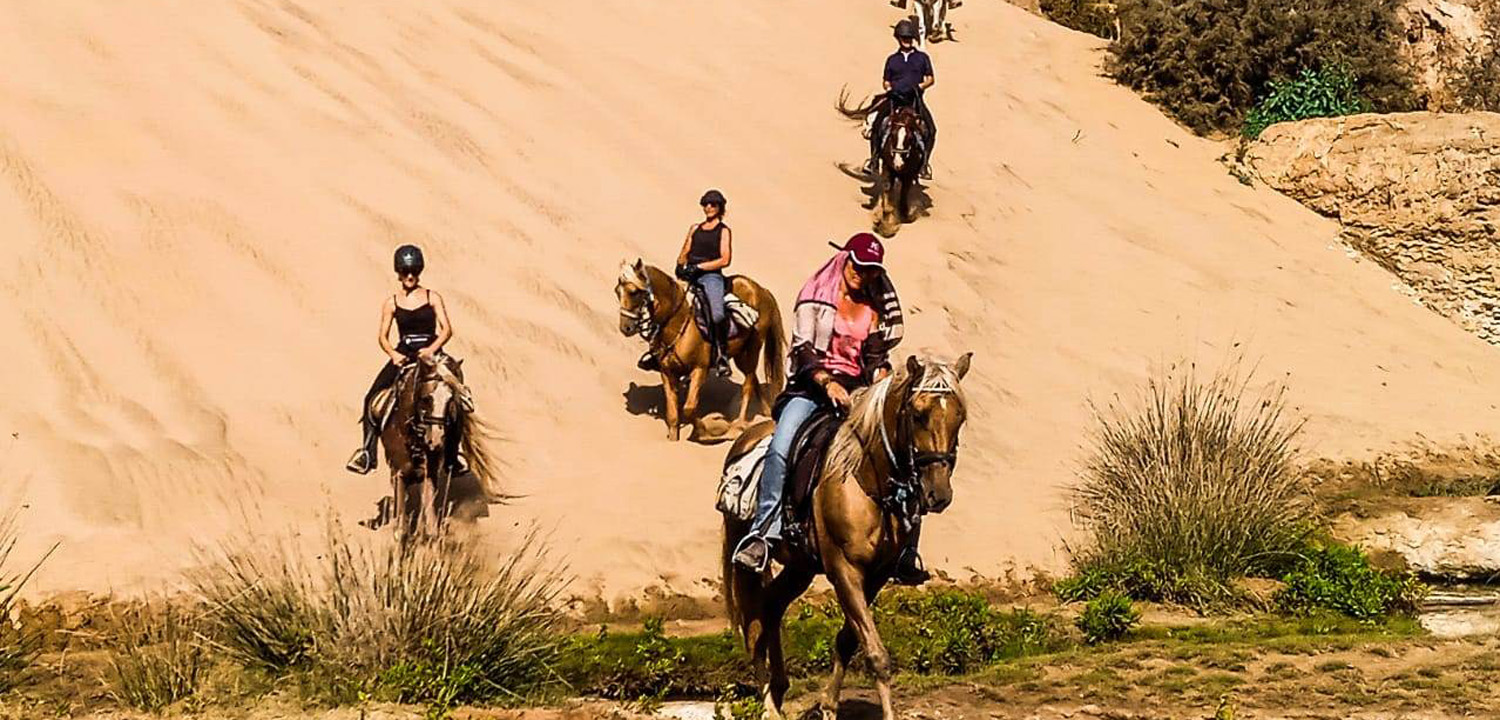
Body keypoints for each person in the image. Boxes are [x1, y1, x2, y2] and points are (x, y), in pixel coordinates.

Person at [731, 233, 930, 585]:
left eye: (870, 271)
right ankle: (764, 532)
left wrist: (880, 374)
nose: (862, 274)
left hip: (856, 392)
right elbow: (803, 349)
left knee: (903, 449)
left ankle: (905, 548)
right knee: (780, 448)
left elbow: (872, 356)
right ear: (844, 259)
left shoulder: (872, 309)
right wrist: (827, 382)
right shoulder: (815, 298)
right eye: (858, 265)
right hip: (810, 388)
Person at [346, 244, 456, 474]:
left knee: (456, 397)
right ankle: (367, 453)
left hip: (432, 353)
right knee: (370, 399)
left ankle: (454, 457)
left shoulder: (432, 297)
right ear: (398, 273)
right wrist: (393, 354)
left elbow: (447, 330)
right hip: (403, 355)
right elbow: (382, 337)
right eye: (405, 272)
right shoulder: (391, 303)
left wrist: (432, 349)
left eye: (414, 271)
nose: (409, 276)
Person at [867, 19, 937, 180]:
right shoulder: (892, 59)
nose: (907, 40)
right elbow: (886, 80)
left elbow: (931, 79)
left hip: (914, 100)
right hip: (895, 99)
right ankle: (874, 160)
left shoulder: (922, 57)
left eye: (909, 38)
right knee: (877, 127)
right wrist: (889, 89)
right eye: (903, 38)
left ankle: (924, 164)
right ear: (898, 38)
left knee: (932, 130)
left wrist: (920, 87)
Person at [675, 190, 734, 377]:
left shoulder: (723, 231)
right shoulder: (695, 228)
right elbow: (685, 250)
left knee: (717, 314)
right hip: (690, 274)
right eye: (706, 204)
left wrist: (700, 267)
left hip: (711, 277)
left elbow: (725, 259)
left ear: (720, 207)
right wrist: (680, 265)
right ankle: (658, 352)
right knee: (667, 305)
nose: (708, 207)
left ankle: (722, 355)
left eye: (713, 204)